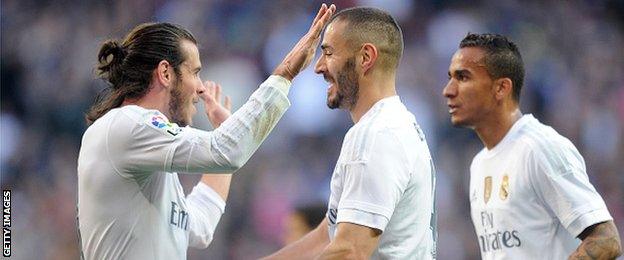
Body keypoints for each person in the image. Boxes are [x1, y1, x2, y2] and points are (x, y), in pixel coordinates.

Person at [77, 3, 336, 259]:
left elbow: (199, 226)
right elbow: (224, 151)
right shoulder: (128, 124)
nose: (201, 88)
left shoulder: (144, 152)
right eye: (195, 72)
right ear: (166, 73)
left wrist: (225, 132)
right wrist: (285, 73)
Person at [264, 7, 436, 259]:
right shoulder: (397, 125)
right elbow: (325, 238)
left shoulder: (376, 135)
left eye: (329, 53)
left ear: (365, 57)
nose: (318, 67)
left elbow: (349, 251)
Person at [442, 33, 622, 259]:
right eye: (450, 77)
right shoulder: (478, 165)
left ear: (501, 88)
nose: (448, 90)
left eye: (463, 77)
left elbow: (607, 239)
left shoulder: (539, 149)